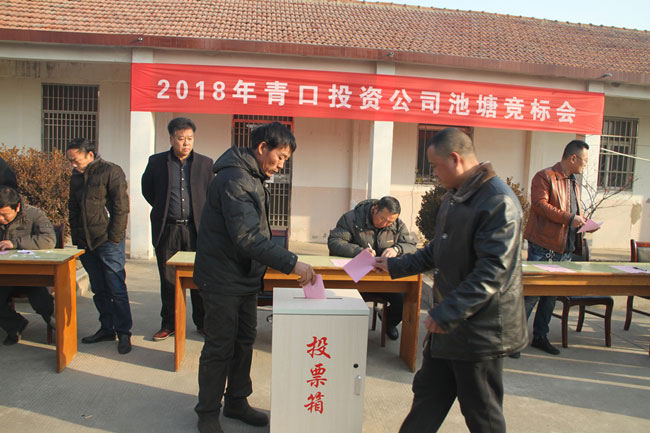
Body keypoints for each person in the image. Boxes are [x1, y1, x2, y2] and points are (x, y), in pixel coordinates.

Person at [375, 128, 528, 433]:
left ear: (455, 159)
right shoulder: (457, 197)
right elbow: (437, 250)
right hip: (448, 329)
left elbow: (493, 271)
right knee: (427, 398)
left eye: (435, 166)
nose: (433, 174)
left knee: (482, 414)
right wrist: (394, 265)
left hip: (479, 332)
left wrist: (447, 312)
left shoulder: (498, 201)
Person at [193, 122, 316, 433]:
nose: (282, 164)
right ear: (262, 148)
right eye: (281, 157)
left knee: (244, 341)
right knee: (220, 347)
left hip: (243, 277)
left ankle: (236, 401)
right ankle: (207, 413)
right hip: (222, 279)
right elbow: (247, 238)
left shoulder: (252, 176)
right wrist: (292, 263)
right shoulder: (235, 180)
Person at [142, 117, 213, 341]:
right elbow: (148, 191)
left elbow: (211, 194)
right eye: (181, 138)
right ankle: (169, 324)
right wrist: (165, 209)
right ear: (171, 138)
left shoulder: (205, 164)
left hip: (195, 231)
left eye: (190, 138)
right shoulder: (157, 162)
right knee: (168, 279)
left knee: (200, 278)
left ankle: (203, 323)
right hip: (168, 229)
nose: (186, 143)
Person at [66, 138, 133, 355]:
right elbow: (73, 208)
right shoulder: (76, 177)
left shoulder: (111, 171)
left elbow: (121, 207)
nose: (73, 165)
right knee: (98, 288)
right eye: (70, 161)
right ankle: (107, 328)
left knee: (116, 287)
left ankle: (124, 332)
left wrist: (115, 238)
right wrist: (77, 237)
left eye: (76, 160)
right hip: (86, 242)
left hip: (107, 240)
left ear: (90, 155)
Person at [522, 139, 589, 356]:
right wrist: (570, 218)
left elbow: (573, 211)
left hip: (564, 247)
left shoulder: (573, 182)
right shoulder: (545, 177)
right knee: (532, 293)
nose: (586, 164)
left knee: (550, 295)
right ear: (573, 158)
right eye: (584, 160)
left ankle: (540, 336)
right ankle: (513, 338)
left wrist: (583, 223)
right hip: (543, 245)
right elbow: (540, 205)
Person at [328, 196, 417, 340]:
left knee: (404, 300)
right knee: (347, 301)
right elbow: (335, 241)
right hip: (356, 277)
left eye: (390, 222)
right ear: (375, 209)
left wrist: (397, 249)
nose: (386, 224)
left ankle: (389, 322)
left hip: (384, 279)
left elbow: (411, 245)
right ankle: (344, 334)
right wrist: (359, 251)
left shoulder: (397, 225)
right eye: (383, 219)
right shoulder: (352, 219)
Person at [0, 186, 56, 345]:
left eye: (4, 215)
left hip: (31, 274)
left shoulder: (34, 214)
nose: (1, 219)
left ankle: (57, 326)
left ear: (17, 207)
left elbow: (49, 240)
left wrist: (15, 243)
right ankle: (15, 325)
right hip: (4, 275)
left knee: (42, 303)